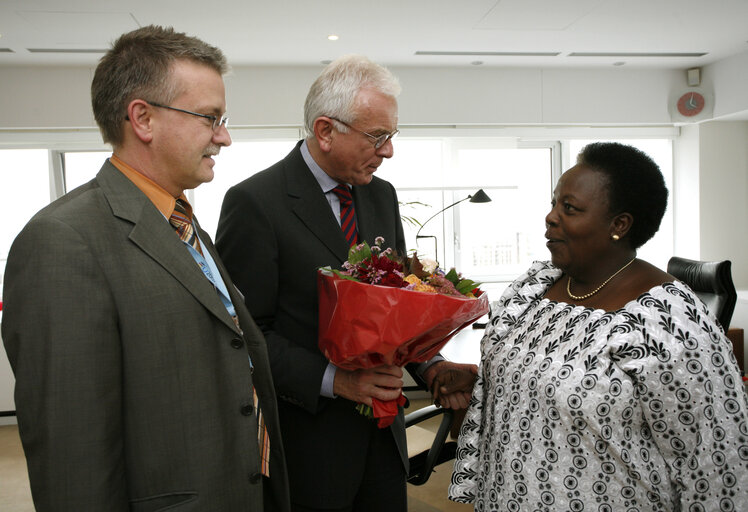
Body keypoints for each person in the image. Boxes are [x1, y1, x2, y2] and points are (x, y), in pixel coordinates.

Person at [1, 25, 290, 511]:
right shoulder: (63, 240)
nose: (225, 137)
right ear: (143, 119)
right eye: (210, 117)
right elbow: (73, 458)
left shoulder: (183, 222)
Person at [215, 55, 475, 511]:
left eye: (391, 135)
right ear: (325, 130)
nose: (389, 150)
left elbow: (397, 311)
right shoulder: (255, 203)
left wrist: (431, 367)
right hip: (310, 445)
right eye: (378, 137)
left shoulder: (381, 195)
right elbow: (245, 337)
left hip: (383, 438)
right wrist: (338, 381)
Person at [442, 142, 748, 511]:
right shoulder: (534, 286)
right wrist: (484, 378)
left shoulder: (667, 320)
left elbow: (716, 461)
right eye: (554, 203)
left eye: (569, 208)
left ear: (619, 224)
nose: (551, 217)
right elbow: (555, 387)